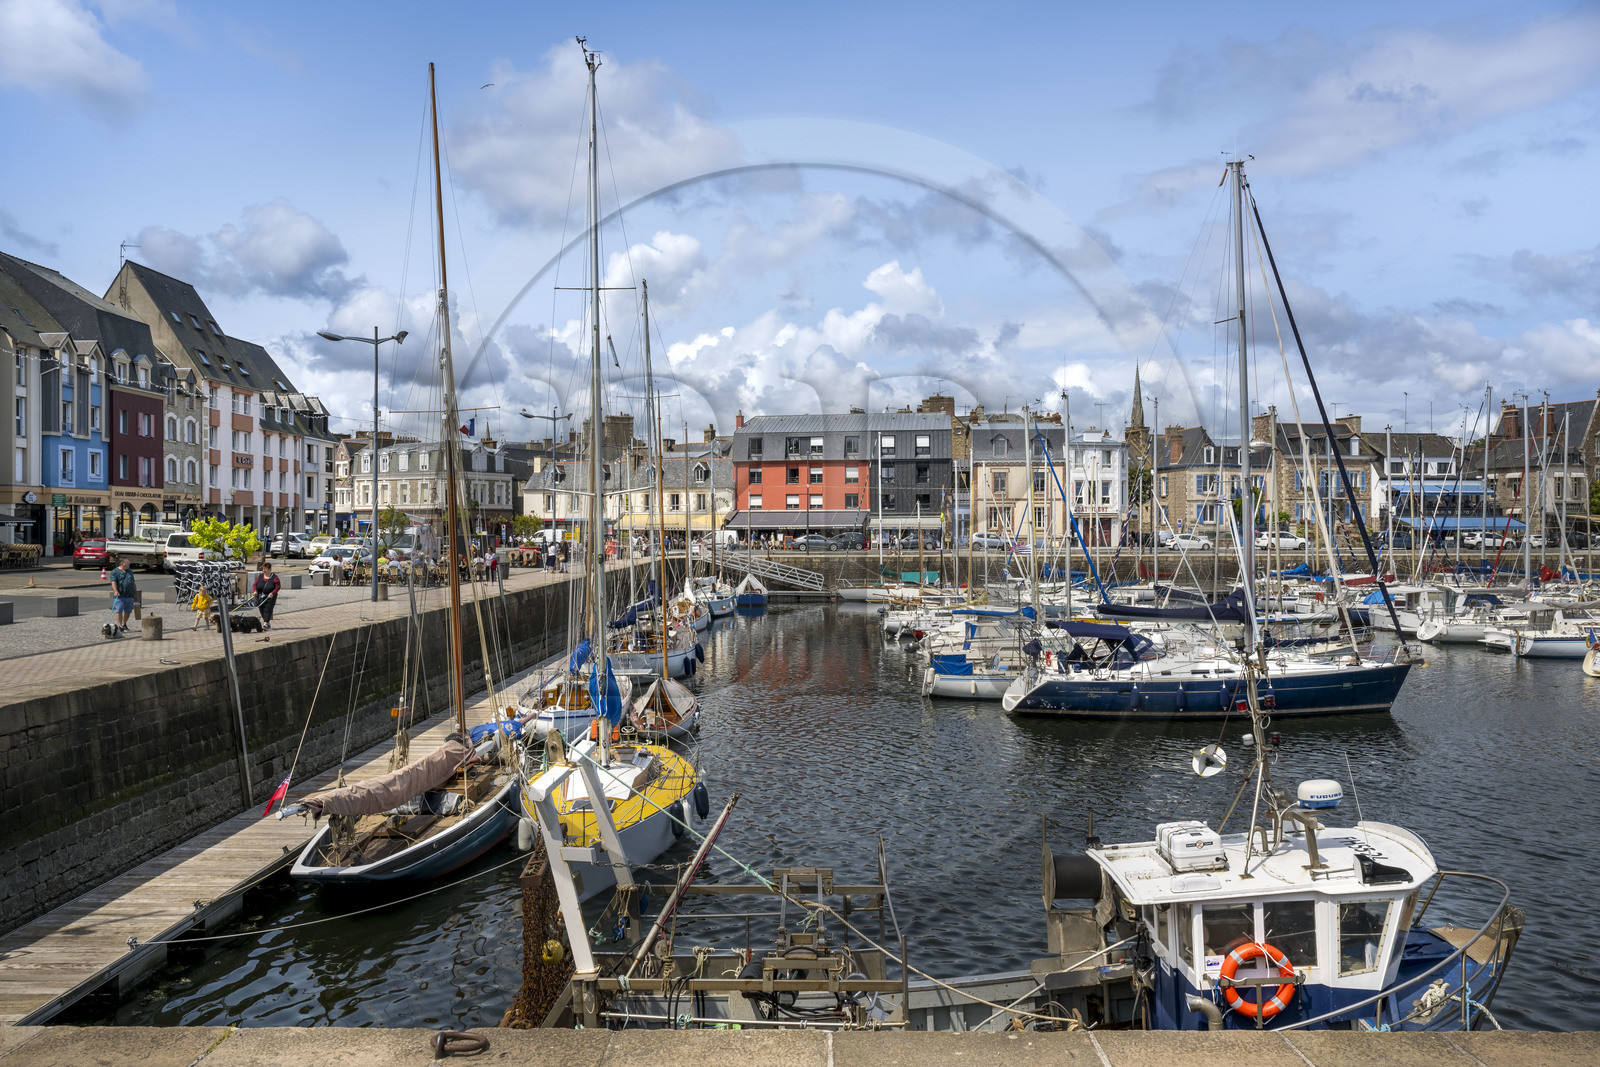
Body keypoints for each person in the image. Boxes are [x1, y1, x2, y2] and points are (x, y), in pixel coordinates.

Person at [109, 558, 137, 635]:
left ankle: (124, 624)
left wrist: (135, 593)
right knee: (119, 610)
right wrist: (115, 591)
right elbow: (113, 582)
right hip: (120, 594)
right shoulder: (115, 572)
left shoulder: (130, 571)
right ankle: (119, 625)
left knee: (128, 611)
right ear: (122, 563)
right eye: (127, 563)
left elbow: (133, 583)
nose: (129, 564)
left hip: (129, 594)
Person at [253, 561, 282, 630]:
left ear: (269, 569)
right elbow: (255, 585)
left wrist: (273, 593)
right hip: (260, 595)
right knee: (261, 608)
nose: (264, 570)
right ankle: (267, 622)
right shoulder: (260, 576)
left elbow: (278, 586)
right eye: (263, 569)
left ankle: (266, 623)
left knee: (268, 609)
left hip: (270, 596)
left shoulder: (275, 577)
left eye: (265, 569)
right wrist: (255, 591)